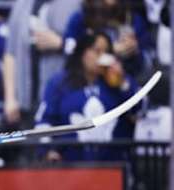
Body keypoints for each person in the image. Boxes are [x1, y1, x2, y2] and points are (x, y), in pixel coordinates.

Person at [35, 31, 140, 162]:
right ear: (82, 53)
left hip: (113, 167)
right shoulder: (59, 83)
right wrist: (46, 151)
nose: (102, 57)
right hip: (70, 167)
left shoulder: (118, 82)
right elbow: (44, 121)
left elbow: (140, 111)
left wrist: (123, 83)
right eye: (97, 51)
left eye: (107, 52)